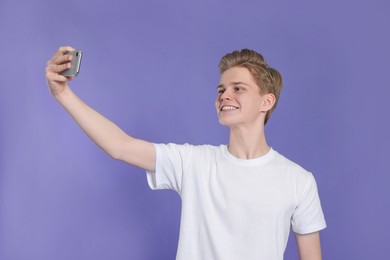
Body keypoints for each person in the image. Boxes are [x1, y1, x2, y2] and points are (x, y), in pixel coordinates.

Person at [46, 46, 326, 260]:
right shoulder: (193, 163)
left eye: (238, 88)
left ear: (266, 101)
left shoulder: (298, 180)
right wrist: (63, 95)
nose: (224, 96)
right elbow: (120, 146)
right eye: (221, 89)